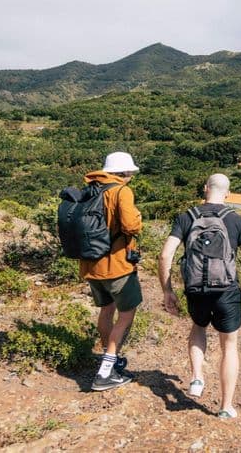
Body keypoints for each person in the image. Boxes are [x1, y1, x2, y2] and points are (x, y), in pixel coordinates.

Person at [158, 173, 241, 419]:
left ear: (205, 189)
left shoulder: (186, 217)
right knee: (229, 345)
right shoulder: (236, 220)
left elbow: (165, 256)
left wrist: (167, 290)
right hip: (226, 290)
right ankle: (225, 407)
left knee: (198, 327)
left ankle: (196, 378)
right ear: (228, 193)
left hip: (195, 289)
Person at [80, 151, 143, 391]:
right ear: (125, 173)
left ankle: (111, 359)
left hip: (91, 265)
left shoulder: (90, 189)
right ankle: (106, 371)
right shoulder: (121, 191)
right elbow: (131, 225)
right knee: (126, 315)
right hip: (117, 266)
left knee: (106, 312)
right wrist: (138, 216)